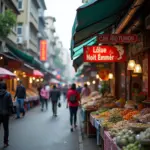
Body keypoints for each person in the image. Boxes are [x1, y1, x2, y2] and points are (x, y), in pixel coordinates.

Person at [0, 81, 13, 148]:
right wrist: (11, 113)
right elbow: (10, 104)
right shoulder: (8, 94)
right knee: (6, 129)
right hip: (5, 114)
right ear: (5, 86)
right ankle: (5, 142)